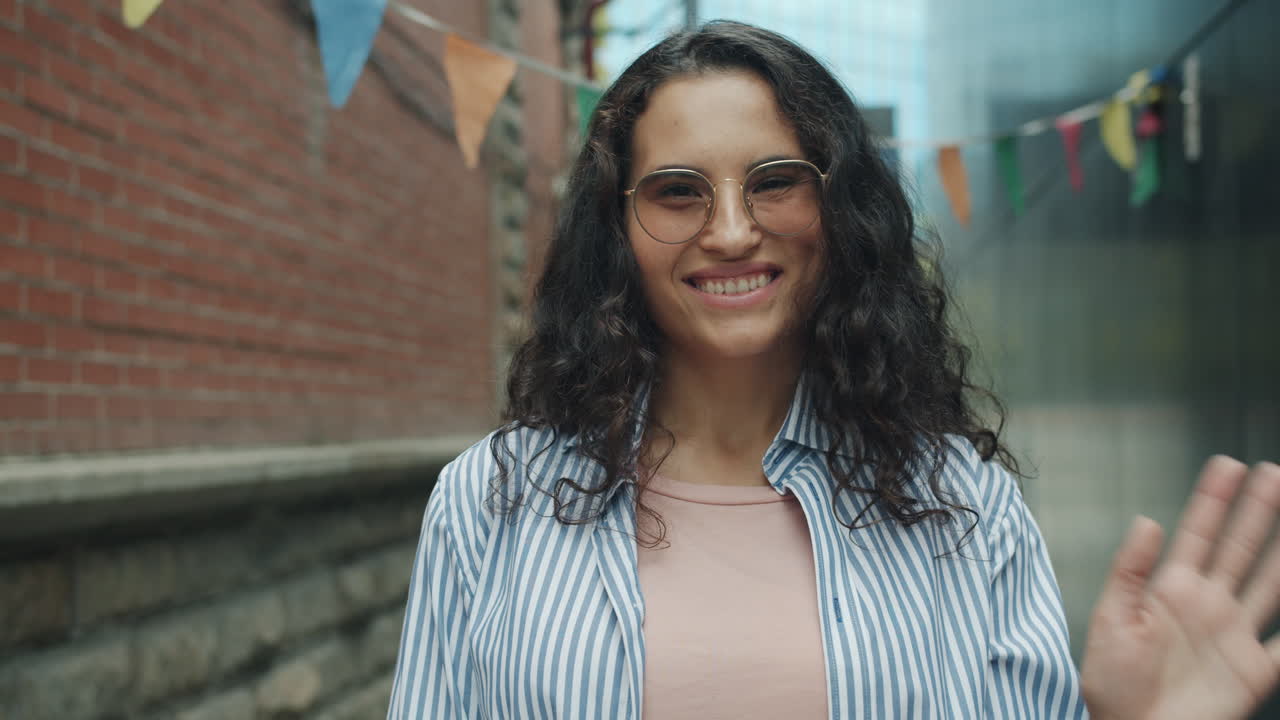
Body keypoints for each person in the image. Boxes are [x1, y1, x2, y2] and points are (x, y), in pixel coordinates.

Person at [387, 20, 1280, 720]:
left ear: (840, 206)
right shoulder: (492, 500)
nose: (731, 230)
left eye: (775, 180)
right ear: (616, 229)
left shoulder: (964, 510)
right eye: (677, 190)